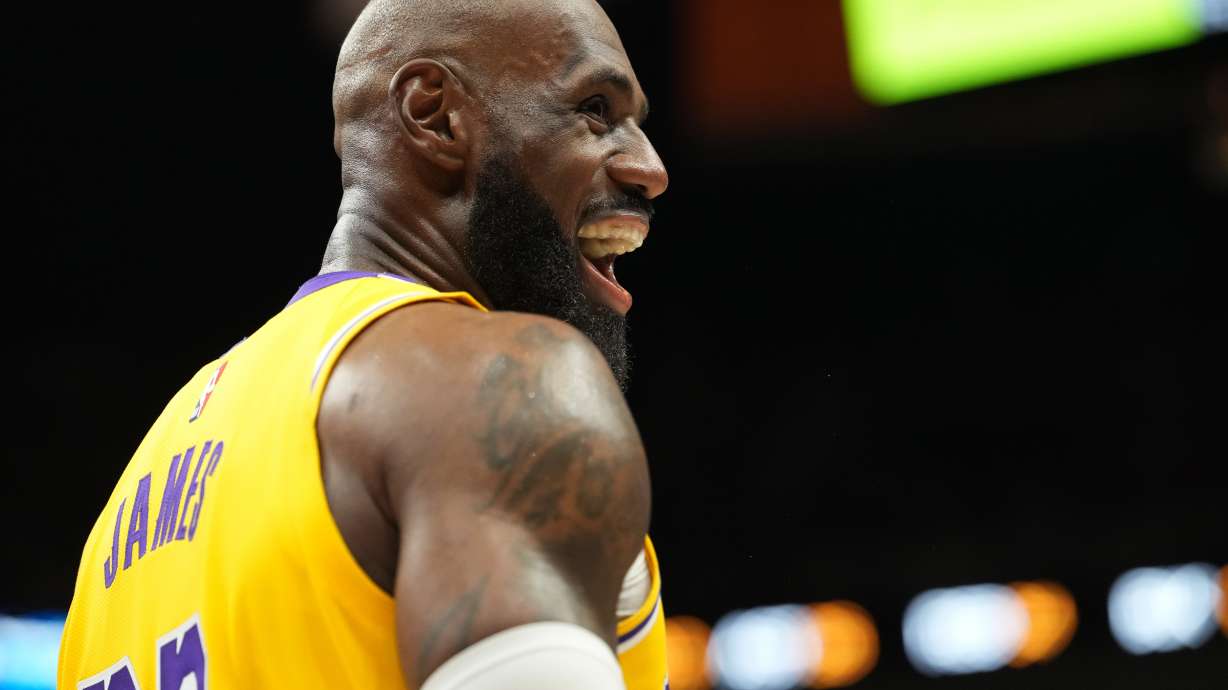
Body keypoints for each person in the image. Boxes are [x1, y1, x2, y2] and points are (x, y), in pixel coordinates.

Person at [57, 1, 670, 688]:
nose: (651, 168)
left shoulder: (119, 520)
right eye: (594, 108)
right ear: (434, 115)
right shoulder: (497, 383)